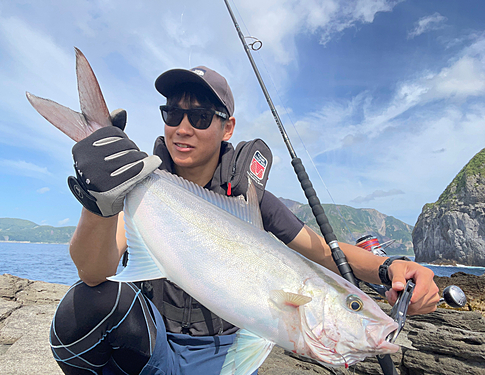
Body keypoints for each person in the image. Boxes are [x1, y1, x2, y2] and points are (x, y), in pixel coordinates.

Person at [50, 66, 440, 375]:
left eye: (201, 117)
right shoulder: (143, 187)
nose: (183, 128)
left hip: (219, 352)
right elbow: (91, 269)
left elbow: (322, 253)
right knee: (85, 307)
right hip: (151, 343)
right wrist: (98, 200)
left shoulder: (254, 201)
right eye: (172, 113)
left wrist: (389, 268)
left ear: (227, 127)